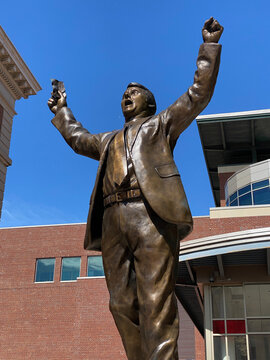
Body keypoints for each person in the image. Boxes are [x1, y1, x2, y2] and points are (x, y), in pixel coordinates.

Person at [48, 17, 223, 360]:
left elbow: (198, 93)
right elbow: (77, 138)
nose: (127, 94)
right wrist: (62, 110)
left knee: (156, 301)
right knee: (121, 303)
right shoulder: (108, 140)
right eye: (125, 93)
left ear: (149, 103)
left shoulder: (161, 125)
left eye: (135, 91)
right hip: (113, 219)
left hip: (151, 214)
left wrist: (210, 47)